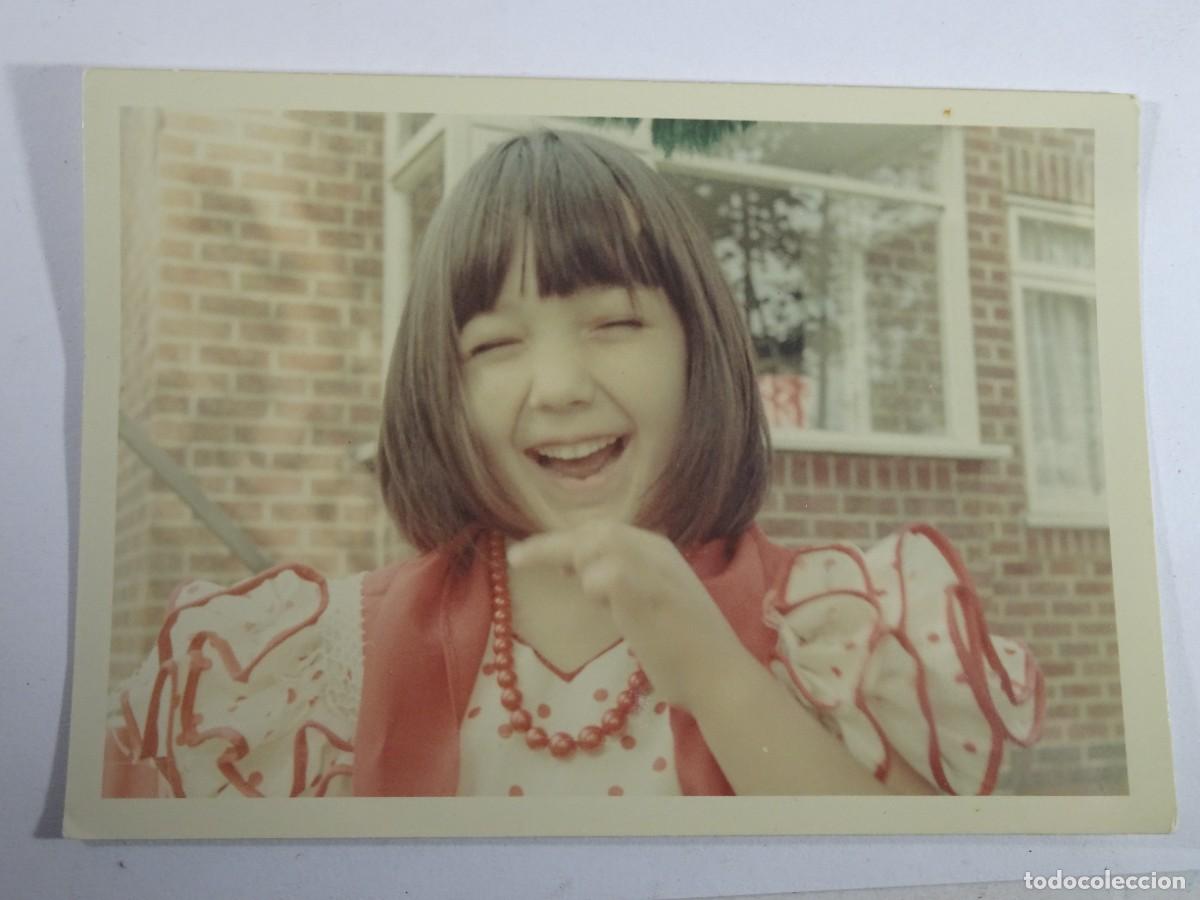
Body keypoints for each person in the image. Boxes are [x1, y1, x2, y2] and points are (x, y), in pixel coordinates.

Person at [104, 128, 1044, 799]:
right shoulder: (312, 667)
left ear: (700, 349)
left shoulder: (833, 638)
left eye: (615, 323)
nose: (557, 387)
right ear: (440, 389)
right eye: (494, 345)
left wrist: (718, 676)